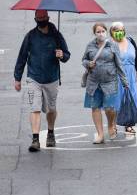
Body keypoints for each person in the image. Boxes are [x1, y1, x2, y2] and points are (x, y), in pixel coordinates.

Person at [14, 10, 70, 152]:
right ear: (35, 19)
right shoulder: (30, 36)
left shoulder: (57, 36)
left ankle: (50, 133)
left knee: (51, 109)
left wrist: (61, 54)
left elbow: (67, 55)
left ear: (48, 18)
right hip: (34, 78)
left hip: (52, 78)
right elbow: (22, 57)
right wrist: (17, 78)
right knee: (35, 108)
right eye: (38, 18)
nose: (41, 20)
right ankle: (35, 139)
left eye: (43, 18)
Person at [82, 23, 130, 144]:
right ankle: (100, 134)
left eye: (103, 31)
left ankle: (110, 126)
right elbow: (84, 59)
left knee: (109, 108)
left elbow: (119, 64)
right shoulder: (90, 45)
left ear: (106, 32)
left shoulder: (112, 45)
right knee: (95, 107)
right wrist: (88, 64)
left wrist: (125, 81)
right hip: (93, 82)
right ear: (94, 33)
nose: (101, 33)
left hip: (110, 81)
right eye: (98, 32)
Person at [109, 22, 137, 134]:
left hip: (131, 74)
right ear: (111, 32)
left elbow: (136, 57)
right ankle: (112, 125)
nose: (119, 32)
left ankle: (129, 124)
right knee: (116, 99)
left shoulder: (131, 41)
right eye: (116, 30)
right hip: (116, 75)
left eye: (121, 29)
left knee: (131, 98)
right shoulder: (109, 44)